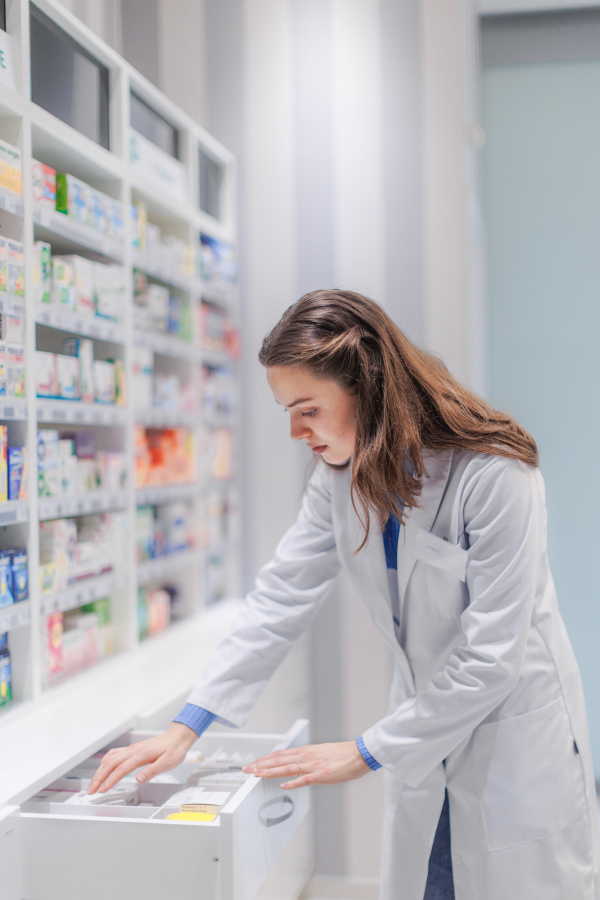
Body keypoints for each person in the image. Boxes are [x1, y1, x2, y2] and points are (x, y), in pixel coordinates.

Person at [88, 290, 600, 900]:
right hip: (422, 738)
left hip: (512, 744)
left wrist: (364, 750)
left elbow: (491, 659)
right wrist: (186, 727)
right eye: (287, 411)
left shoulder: (494, 477)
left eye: (306, 409)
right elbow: (282, 596)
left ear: (369, 387)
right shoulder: (342, 478)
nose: (295, 431)